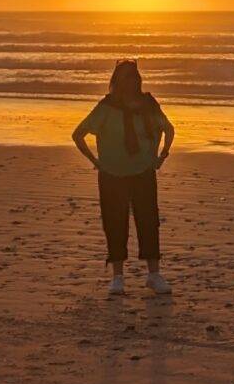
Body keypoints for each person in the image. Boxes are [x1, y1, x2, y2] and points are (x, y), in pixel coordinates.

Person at [74, 60, 176, 296]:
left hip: (143, 171)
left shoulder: (148, 104)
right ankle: (117, 277)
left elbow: (168, 129)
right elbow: (78, 134)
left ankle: (153, 275)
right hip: (112, 173)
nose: (131, 81)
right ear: (117, 80)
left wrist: (162, 155)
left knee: (148, 220)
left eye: (134, 76)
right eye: (126, 76)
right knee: (115, 222)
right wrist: (95, 160)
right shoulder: (107, 106)